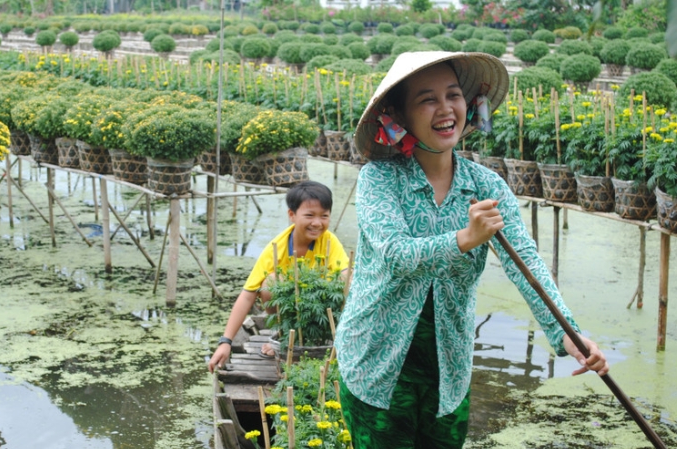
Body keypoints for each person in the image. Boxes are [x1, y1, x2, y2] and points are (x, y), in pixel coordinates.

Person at [333, 51, 609, 448]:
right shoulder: (379, 179)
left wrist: (568, 334)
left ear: (470, 103)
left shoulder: (487, 187)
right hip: (375, 365)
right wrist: (465, 238)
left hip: (449, 370)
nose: (445, 109)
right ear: (399, 116)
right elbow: (396, 254)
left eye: (453, 95)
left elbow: (526, 265)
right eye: (427, 99)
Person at [208, 180, 350, 372]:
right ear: (291, 215)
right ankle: (284, 337)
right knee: (269, 284)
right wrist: (226, 341)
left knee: (347, 279)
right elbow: (248, 294)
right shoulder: (277, 248)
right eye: (309, 215)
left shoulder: (329, 242)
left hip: (321, 312)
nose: (317, 223)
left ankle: (332, 339)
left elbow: (345, 277)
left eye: (324, 216)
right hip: (289, 312)